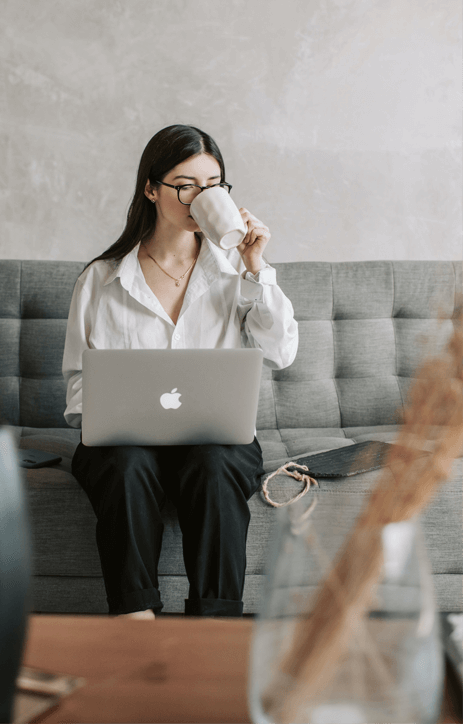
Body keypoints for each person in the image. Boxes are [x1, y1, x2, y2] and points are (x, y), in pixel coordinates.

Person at [61, 124, 299, 619]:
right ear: (151, 189)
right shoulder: (101, 278)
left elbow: (282, 352)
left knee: (216, 464)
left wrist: (257, 267)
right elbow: (80, 384)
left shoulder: (236, 272)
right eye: (185, 184)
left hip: (213, 438)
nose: (201, 197)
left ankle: (215, 624)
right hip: (124, 444)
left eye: (213, 185)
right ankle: (135, 619)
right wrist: (108, 416)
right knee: (126, 464)